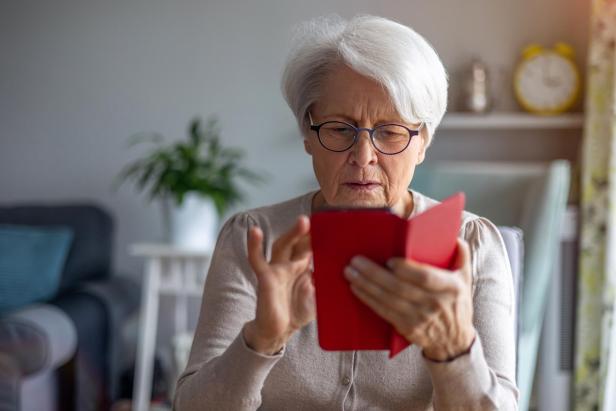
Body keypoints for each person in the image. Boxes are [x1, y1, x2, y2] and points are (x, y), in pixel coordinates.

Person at [174, 15, 518, 410]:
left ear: (422, 142)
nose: (363, 157)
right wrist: (262, 339)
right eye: (339, 129)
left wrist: (454, 351)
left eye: (390, 131)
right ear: (308, 135)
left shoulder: (472, 244)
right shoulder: (253, 239)